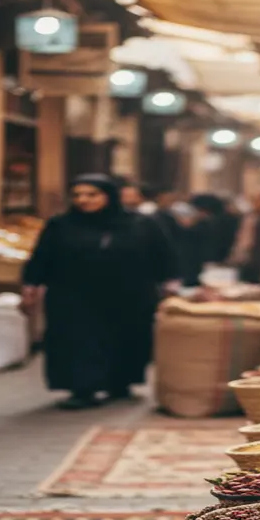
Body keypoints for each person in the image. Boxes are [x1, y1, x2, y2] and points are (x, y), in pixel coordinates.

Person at [23, 174, 179, 410]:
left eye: (91, 194)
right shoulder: (61, 225)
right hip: (73, 295)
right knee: (78, 340)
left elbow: (163, 254)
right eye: (77, 195)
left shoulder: (140, 223)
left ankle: (121, 382)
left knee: (126, 338)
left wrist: (170, 283)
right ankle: (82, 388)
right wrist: (30, 284)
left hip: (128, 295)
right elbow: (42, 257)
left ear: (109, 196)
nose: (83, 200)